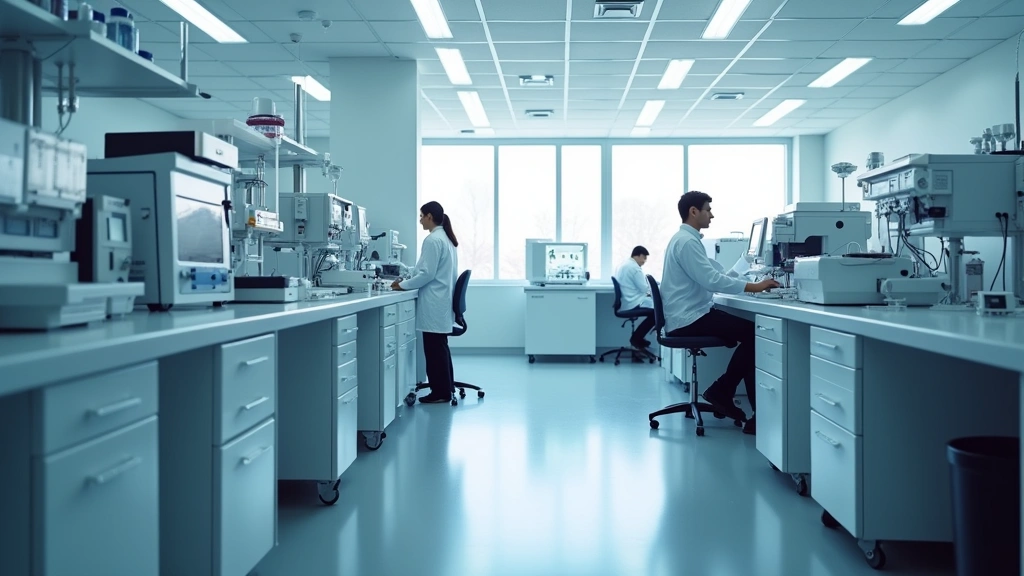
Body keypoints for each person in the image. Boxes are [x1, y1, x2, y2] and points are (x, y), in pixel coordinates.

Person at [660, 191, 779, 435]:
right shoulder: (687, 242)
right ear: (694, 211)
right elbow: (712, 280)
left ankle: (726, 391)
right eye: (707, 210)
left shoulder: (686, 240)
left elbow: (716, 276)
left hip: (690, 314)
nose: (711, 215)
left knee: (749, 333)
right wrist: (755, 287)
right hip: (689, 318)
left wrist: (744, 266)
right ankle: (724, 391)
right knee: (754, 334)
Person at [391, 201, 460, 404]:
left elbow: (427, 274)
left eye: (421, 216)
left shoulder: (432, 240)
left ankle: (440, 393)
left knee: (434, 348)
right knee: (440, 346)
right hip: (441, 299)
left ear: (430, 216)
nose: (420, 220)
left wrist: (402, 286)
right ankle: (446, 388)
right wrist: (408, 278)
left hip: (434, 301)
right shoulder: (445, 239)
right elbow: (425, 270)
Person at [614, 246, 656, 351]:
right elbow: (644, 288)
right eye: (644, 257)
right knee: (657, 313)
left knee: (655, 310)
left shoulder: (623, 264)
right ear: (639, 255)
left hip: (626, 301)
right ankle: (637, 339)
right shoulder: (634, 268)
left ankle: (637, 339)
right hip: (633, 302)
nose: (645, 261)